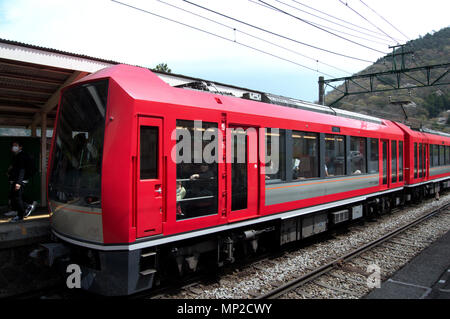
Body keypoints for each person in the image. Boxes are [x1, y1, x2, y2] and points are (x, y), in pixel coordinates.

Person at [8, 141, 37, 222]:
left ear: (20, 147)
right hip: (17, 179)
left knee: (17, 198)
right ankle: (27, 205)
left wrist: (18, 182)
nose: (14, 147)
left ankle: (20, 215)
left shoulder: (21, 156)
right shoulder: (17, 156)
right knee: (15, 196)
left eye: (16, 146)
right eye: (13, 145)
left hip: (20, 180)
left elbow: (22, 170)